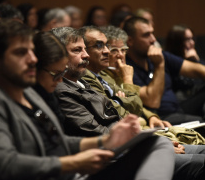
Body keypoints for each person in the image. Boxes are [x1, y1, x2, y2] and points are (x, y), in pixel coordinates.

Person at [0, 19, 176, 180]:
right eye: (21, 53)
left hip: (73, 171)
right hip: (67, 172)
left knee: (159, 144)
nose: (32, 59)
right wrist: (75, 163)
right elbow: (6, 164)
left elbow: (57, 142)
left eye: (31, 51)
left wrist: (107, 141)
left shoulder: (28, 93)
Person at [51, 26, 205, 180]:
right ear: (58, 55)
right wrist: (143, 143)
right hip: (115, 157)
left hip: (131, 143)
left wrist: (146, 132)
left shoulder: (83, 82)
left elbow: (122, 111)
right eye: (77, 50)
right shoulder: (63, 89)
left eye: (84, 49)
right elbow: (97, 130)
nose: (86, 55)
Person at [80, 25, 170, 129]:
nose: (120, 55)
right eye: (114, 50)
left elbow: (136, 103)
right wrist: (127, 79)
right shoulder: (101, 74)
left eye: (123, 50)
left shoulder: (113, 73)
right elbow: (130, 112)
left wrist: (150, 116)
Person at [123, 16, 205, 125]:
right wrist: (159, 65)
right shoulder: (127, 68)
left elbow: (197, 70)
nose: (153, 39)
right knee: (200, 122)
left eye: (152, 33)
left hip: (179, 109)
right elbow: (153, 101)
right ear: (130, 41)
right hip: (159, 117)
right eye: (146, 35)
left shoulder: (161, 55)